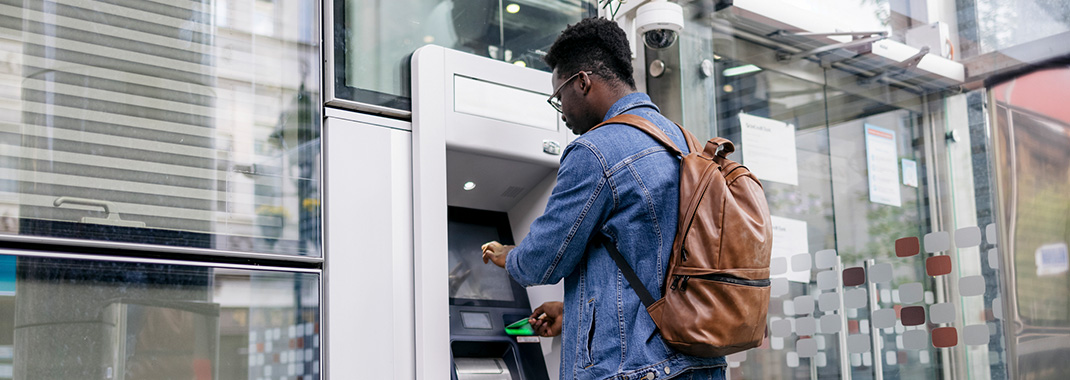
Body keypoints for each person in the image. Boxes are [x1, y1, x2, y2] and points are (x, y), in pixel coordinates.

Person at [480, 17, 726, 380]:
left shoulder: (595, 151)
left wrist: (508, 255)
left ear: (581, 82)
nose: (562, 110)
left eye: (559, 96)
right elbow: (661, 267)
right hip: (700, 363)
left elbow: (542, 263)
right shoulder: (684, 143)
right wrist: (575, 313)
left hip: (635, 370)